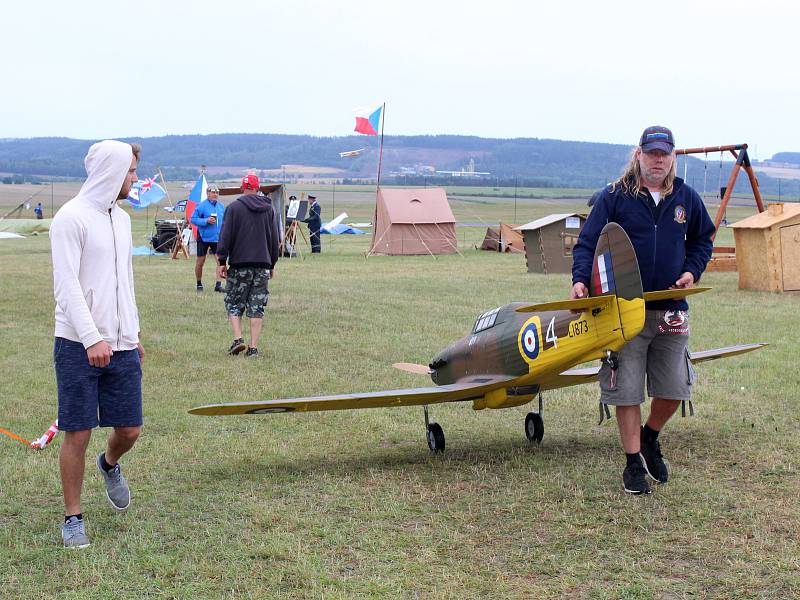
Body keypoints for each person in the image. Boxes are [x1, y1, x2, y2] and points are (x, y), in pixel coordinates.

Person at [570, 126, 715, 495]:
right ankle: (633, 463)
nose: (657, 160)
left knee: (676, 386)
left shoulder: (686, 198)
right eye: (651, 153)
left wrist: (691, 271)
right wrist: (579, 281)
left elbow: (702, 240)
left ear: (673, 156)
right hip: (623, 311)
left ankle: (651, 437)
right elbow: (587, 243)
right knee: (627, 389)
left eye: (664, 153)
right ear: (639, 154)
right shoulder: (614, 197)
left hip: (671, 310)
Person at [49, 140, 145, 548]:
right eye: (130, 171)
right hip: (77, 344)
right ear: (111, 170)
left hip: (122, 345)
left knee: (130, 430)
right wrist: (91, 338)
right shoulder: (70, 218)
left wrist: (132, 335)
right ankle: (73, 518)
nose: (135, 179)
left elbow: (125, 281)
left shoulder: (121, 220)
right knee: (78, 432)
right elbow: (67, 286)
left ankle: (109, 465)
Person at [216, 173, 280, 358]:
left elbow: (225, 236)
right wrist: (272, 263)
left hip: (239, 263)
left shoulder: (234, 208)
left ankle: (238, 339)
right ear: (258, 187)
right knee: (257, 305)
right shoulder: (269, 209)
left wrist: (222, 261)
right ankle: (253, 348)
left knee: (234, 301)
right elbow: (273, 239)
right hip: (262, 265)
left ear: (243, 188)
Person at [190, 184, 225, 292]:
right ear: (208, 193)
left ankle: (218, 285)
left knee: (220, 261)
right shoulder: (201, 206)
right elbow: (193, 219)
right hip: (204, 237)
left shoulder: (221, 207)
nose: (215, 194)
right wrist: (206, 221)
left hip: (217, 238)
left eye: (217, 193)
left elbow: (225, 221)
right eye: (213, 192)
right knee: (201, 261)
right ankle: (199, 283)